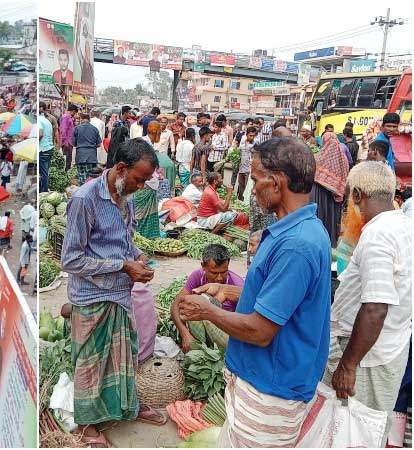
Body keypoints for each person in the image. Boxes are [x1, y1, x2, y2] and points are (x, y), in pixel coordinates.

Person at [179, 136, 331, 447]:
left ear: (277, 183)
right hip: (258, 379)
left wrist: (207, 311)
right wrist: (226, 290)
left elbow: (262, 331)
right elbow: (275, 296)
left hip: (270, 389)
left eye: (257, 178)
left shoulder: (296, 245)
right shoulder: (290, 230)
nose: (254, 186)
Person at [62, 138, 165, 447]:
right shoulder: (84, 200)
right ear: (121, 168)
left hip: (119, 293)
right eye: (139, 179)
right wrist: (123, 266)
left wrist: (137, 257)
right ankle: (85, 423)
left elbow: (124, 240)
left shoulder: (125, 197)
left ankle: (126, 407)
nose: (142, 186)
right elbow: (71, 259)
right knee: (91, 363)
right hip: (91, 295)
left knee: (125, 355)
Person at [323, 161, 411, 444]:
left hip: (369, 358)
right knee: (369, 429)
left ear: (358, 195)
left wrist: (348, 365)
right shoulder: (402, 224)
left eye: (349, 196)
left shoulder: (377, 235)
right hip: (389, 346)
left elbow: (375, 306)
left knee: (358, 431)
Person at [171, 244, 245, 352]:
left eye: (224, 272)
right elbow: (175, 306)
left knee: (204, 309)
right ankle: (201, 348)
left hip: (230, 333)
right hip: (207, 329)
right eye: (214, 273)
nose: (219, 278)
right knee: (188, 305)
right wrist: (185, 334)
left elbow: (245, 325)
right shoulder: (197, 275)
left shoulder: (237, 285)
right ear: (203, 266)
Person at [310, 131, 350, 246]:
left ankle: (317, 242)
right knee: (331, 219)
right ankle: (330, 243)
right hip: (334, 197)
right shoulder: (343, 159)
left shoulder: (318, 157)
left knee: (320, 217)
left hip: (318, 194)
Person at [72, 113, 102, 184]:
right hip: (92, 157)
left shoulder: (76, 128)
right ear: (89, 119)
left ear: (81, 119)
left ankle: (83, 191)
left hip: (80, 156)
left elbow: (73, 144)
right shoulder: (95, 129)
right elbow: (99, 144)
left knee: (82, 176)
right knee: (91, 177)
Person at [236, 126, 258, 201]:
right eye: (250, 135)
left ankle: (246, 203)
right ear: (246, 134)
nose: (252, 137)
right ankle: (240, 201)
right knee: (241, 187)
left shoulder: (256, 144)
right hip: (241, 168)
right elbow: (238, 152)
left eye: (253, 136)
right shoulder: (242, 142)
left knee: (247, 189)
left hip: (249, 169)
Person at [38, 102, 55, 193]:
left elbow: (40, 134)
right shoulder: (47, 121)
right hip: (49, 148)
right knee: (45, 172)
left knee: (44, 173)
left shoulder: (40, 121)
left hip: (43, 149)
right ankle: (43, 189)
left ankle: (44, 192)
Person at [60, 104, 77, 171]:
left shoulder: (68, 117)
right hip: (67, 142)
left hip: (69, 141)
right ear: (73, 111)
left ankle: (67, 172)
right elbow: (63, 130)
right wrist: (65, 142)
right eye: (75, 113)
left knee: (68, 158)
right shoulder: (66, 117)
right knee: (67, 159)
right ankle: (66, 172)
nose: (75, 114)